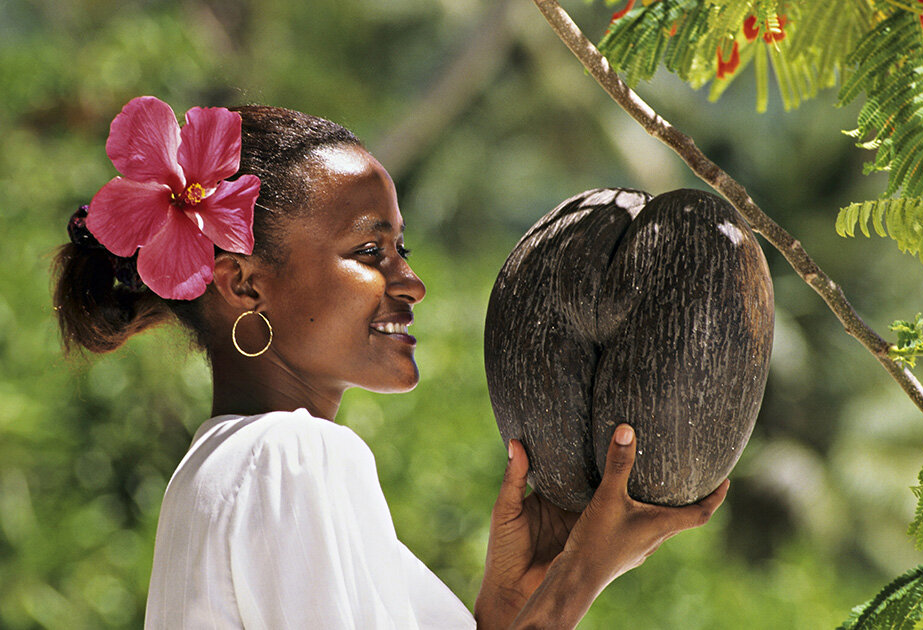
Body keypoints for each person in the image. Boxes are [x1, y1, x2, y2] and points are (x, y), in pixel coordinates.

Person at [53, 96, 728, 629]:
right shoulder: (290, 458)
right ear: (244, 285)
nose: (410, 282)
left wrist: (505, 607)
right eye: (371, 253)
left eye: (400, 249)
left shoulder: (212, 471)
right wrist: (579, 577)